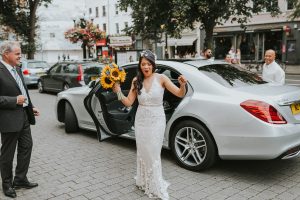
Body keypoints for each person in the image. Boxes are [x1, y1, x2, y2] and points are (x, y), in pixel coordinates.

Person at [112, 50, 187, 200]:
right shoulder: (136, 81)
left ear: (153, 65)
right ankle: (144, 180)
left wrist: (182, 84)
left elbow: (179, 93)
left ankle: (155, 185)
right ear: (140, 66)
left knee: (153, 152)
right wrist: (118, 92)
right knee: (143, 150)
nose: (146, 67)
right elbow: (128, 102)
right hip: (141, 120)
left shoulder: (162, 78)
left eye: (148, 64)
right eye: (143, 64)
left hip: (157, 120)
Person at [0, 41, 40, 198]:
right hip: (8, 119)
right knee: (7, 154)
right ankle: (7, 184)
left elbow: (23, 91)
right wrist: (13, 101)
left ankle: (20, 179)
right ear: (6, 54)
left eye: (20, 53)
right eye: (17, 53)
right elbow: (15, 96)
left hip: (24, 116)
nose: (20, 56)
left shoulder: (17, 68)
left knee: (26, 147)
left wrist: (31, 106)